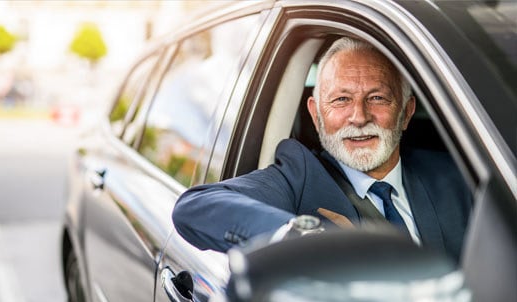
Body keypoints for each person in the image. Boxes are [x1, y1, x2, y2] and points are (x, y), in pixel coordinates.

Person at [172, 37, 472, 262]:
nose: (359, 116)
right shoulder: (298, 176)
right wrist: (304, 236)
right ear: (316, 116)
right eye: (341, 100)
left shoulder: (458, 175)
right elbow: (195, 206)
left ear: (406, 113)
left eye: (378, 98)